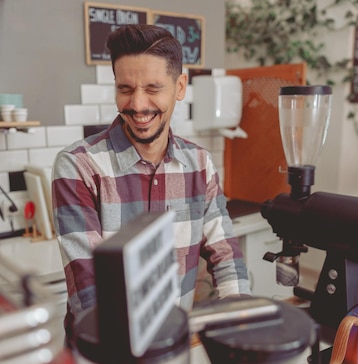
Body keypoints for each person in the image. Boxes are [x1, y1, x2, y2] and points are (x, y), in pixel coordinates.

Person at [52, 24, 251, 341]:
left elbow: (227, 257)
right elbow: (88, 287)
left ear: (180, 86)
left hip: (172, 353)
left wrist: (239, 318)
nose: (138, 105)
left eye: (153, 88)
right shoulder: (79, 165)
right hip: (103, 357)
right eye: (126, 89)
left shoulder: (199, 164)